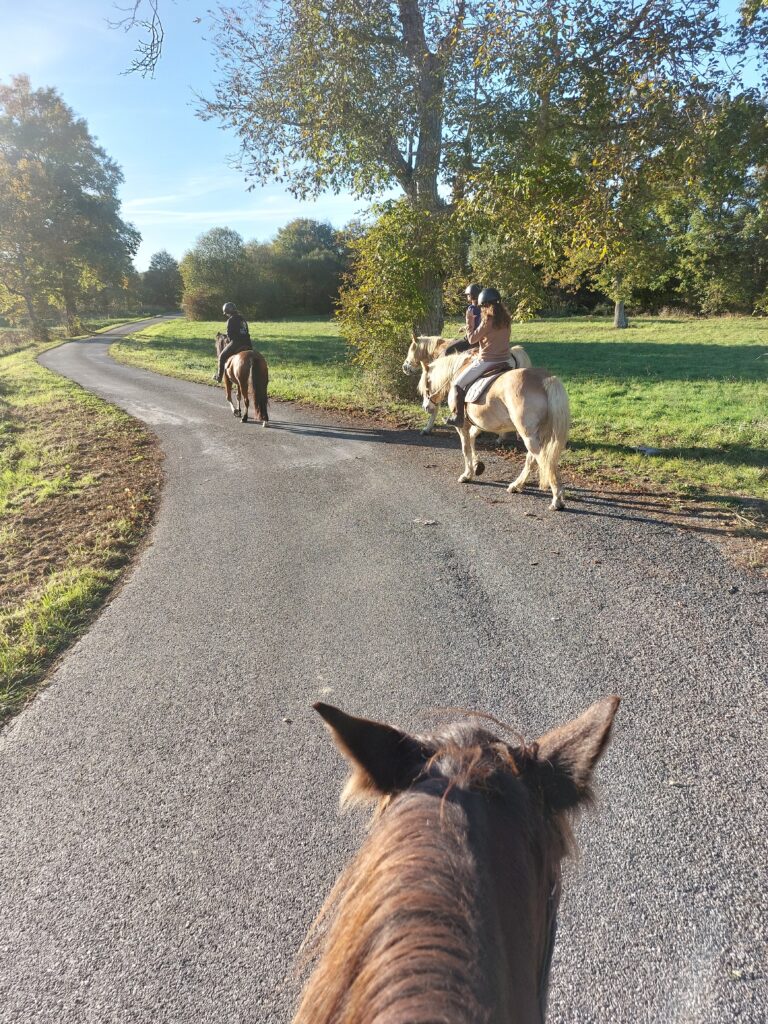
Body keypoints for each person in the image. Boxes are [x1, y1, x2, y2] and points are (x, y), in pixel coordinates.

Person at [445, 287, 512, 427]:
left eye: (482, 306)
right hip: (506, 359)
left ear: (485, 305)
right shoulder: (506, 319)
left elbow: (471, 339)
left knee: (457, 384)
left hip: (487, 361)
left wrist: (469, 320)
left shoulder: (487, 320)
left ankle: (458, 417)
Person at [214, 301, 253, 383]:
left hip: (236, 343)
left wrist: (227, 339)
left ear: (227, 312)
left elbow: (230, 336)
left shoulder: (231, 320)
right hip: (248, 343)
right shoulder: (242, 319)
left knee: (221, 357)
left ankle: (219, 377)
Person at [443, 283, 483, 356]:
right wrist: (464, 327)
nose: (467, 296)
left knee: (447, 351)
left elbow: (473, 325)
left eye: (468, 295)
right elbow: (478, 323)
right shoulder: (484, 308)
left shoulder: (471, 308)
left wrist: (467, 328)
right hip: (482, 336)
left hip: (471, 338)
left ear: (472, 295)